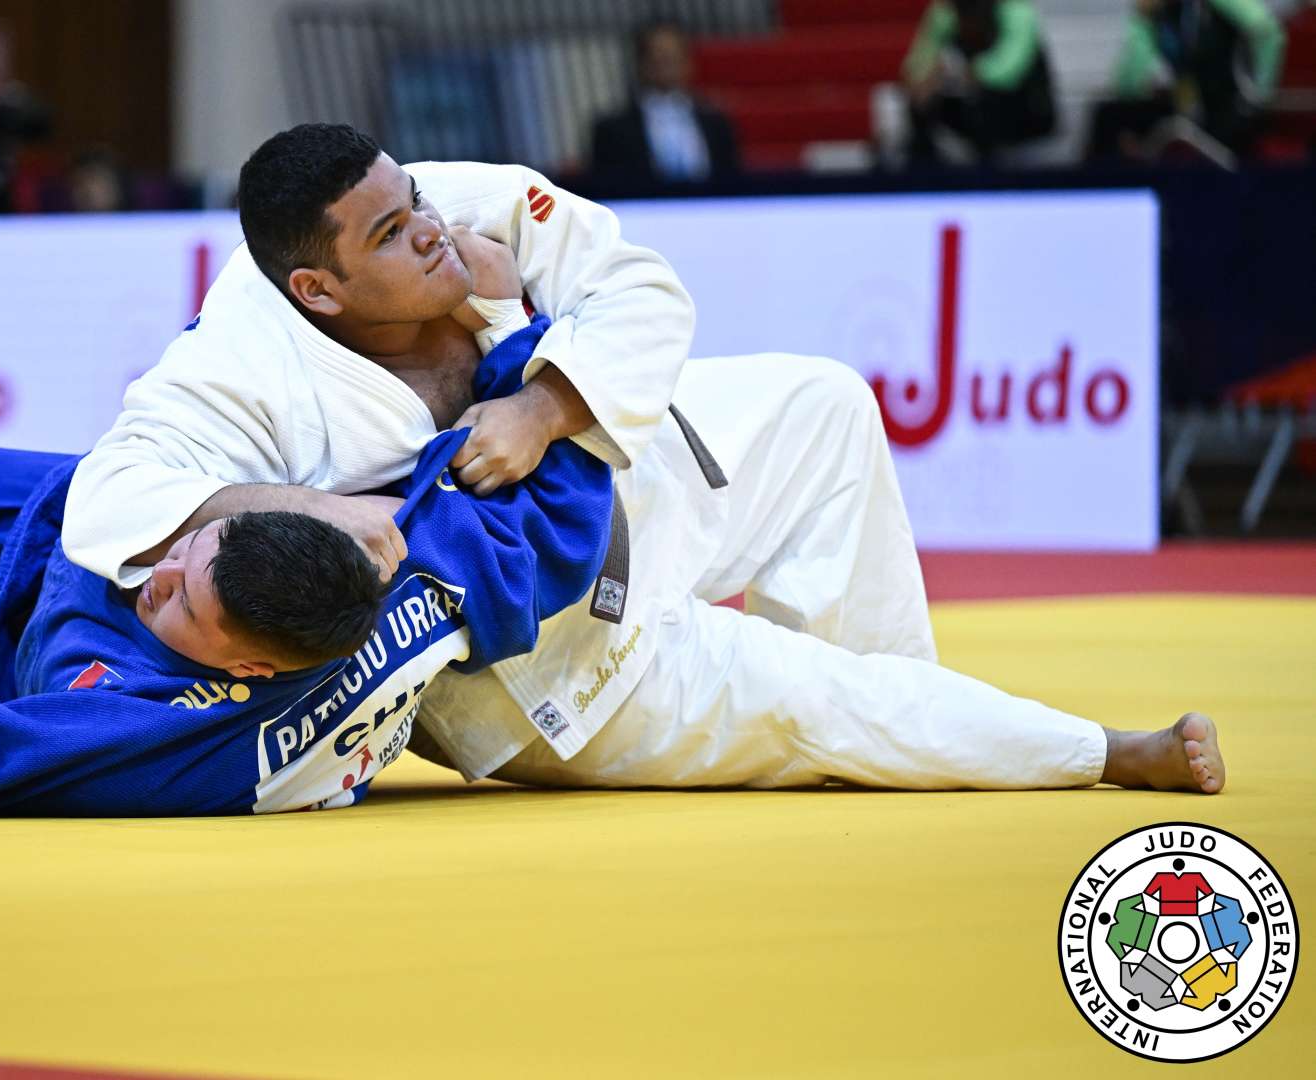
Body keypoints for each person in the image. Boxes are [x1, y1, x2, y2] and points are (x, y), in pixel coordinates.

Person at [63, 123, 1226, 797]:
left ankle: (909, 721)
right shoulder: (234, 365)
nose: (425, 226)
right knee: (814, 696)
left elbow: (636, 283)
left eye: (410, 201)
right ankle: (1093, 754)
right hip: (552, 662)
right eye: (389, 233)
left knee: (824, 405)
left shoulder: (434, 204)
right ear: (313, 288)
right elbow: (109, 503)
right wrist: (316, 506)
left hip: (616, 485)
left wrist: (545, 411)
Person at [0, 318, 616, 816]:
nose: (154, 575)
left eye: (179, 605)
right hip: (65, 528)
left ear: (250, 668)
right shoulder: (401, 564)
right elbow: (559, 534)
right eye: (191, 552)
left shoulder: (158, 732)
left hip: (35, 652)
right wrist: (524, 369)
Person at [1087, 0, 1286, 161]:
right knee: (1109, 117)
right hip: (1188, 106)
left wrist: (1257, 96)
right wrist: (1143, 22)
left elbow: (1266, 32)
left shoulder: (1220, 5)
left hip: (1231, 106)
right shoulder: (1161, 17)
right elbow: (1128, 87)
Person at [901, 0, 1058, 165]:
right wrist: (925, 79)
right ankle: (923, 170)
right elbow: (917, 65)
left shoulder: (1017, 11)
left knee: (989, 99)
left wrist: (964, 73)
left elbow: (1009, 70)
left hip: (1023, 112)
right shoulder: (945, 12)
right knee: (921, 101)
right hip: (970, 118)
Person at [590, 19, 740, 183]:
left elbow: (733, 181)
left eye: (672, 58)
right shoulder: (612, 131)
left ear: (688, 63)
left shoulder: (717, 125)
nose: (666, 66)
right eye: (657, 58)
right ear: (641, 64)